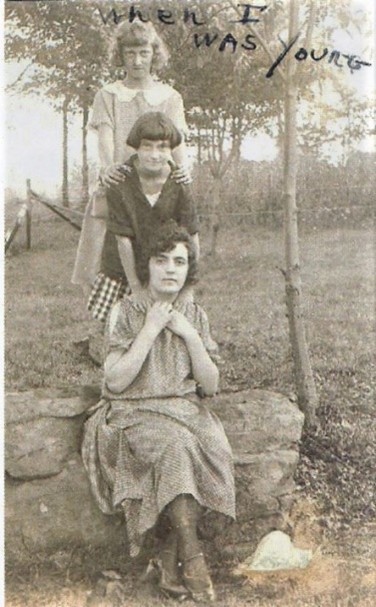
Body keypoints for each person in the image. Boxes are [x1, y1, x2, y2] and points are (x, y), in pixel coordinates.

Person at [82, 223, 235, 602]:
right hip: (133, 411)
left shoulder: (195, 314)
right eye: (161, 260)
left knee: (208, 443)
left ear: (188, 269)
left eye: (179, 262)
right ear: (147, 266)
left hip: (184, 410)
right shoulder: (128, 312)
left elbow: (210, 385)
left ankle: (169, 561)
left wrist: (190, 336)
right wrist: (150, 330)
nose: (170, 269)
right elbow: (116, 382)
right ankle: (193, 558)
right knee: (176, 446)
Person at [72, 20, 192, 326]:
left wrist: (184, 171)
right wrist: (108, 170)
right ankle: (113, 330)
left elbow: (178, 146)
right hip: (121, 184)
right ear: (120, 55)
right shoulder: (108, 95)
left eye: (143, 52)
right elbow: (105, 139)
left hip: (156, 185)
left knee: (161, 250)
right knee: (113, 253)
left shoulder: (170, 97)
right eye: (130, 53)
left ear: (154, 54)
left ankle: (163, 324)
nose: (137, 61)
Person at [89, 111, 199, 324]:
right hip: (123, 268)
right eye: (147, 146)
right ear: (136, 146)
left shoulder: (179, 182)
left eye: (162, 147)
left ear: (171, 150)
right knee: (114, 329)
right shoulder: (120, 181)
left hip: (162, 266)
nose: (154, 154)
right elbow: (122, 240)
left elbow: (192, 237)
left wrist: (188, 287)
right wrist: (137, 288)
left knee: (175, 325)